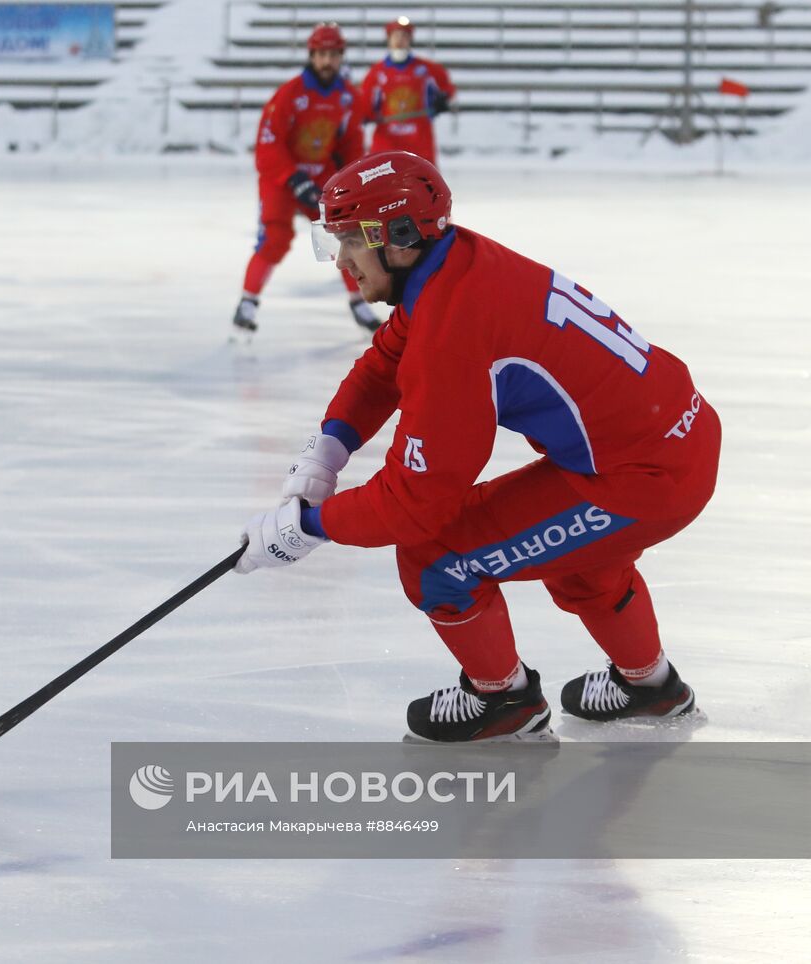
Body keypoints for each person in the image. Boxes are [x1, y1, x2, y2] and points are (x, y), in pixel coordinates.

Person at [234, 151, 720, 743]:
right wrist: (326, 450)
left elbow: (416, 502)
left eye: (348, 241)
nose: (340, 261)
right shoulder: (452, 262)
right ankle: (651, 686)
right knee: (585, 563)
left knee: (434, 555)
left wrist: (309, 526)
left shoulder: (453, 330)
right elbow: (385, 362)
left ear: (399, 236)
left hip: (646, 476)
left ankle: (505, 700)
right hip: (666, 443)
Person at [233, 22, 380, 336]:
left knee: (347, 234)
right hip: (283, 176)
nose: (327, 61)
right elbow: (268, 143)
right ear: (312, 56)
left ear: (341, 57)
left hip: (321, 175)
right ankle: (248, 301)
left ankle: (358, 299)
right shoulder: (289, 94)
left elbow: (351, 144)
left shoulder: (348, 98)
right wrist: (294, 177)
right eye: (321, 54)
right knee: (275, 237)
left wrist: (351, 178)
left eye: (333, 54)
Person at [358, 17, 455, 165]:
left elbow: (447, 88)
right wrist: (365, 115)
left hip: (420, 144)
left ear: (410, 39)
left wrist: (441, 100)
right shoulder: (376, 72)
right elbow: (364, 104)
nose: (400, 40)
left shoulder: (426, 69)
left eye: (404, 36)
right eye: (396, 36)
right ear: (389, 39)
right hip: (387, 144)